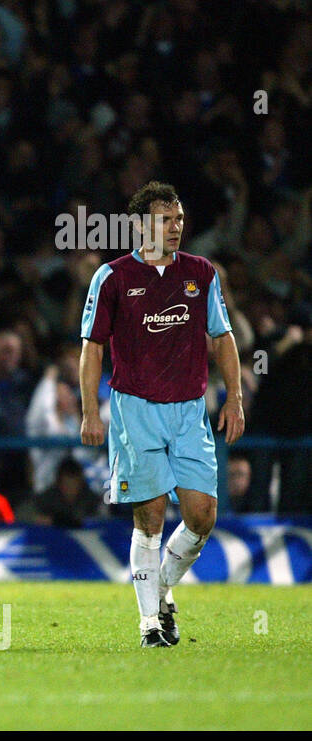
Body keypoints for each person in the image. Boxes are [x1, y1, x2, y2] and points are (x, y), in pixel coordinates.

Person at [80, 181, 245, 648]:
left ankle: (162, 588)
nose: (176, 228)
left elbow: (224, 337)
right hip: (135, 411)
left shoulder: (201, 273)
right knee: (150, 516)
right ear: (141, 225)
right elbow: (91, 347)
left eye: (179, 220)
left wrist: (233, 398)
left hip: (190, 411)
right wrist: (92, 409)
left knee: (202, 516)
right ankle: (150, 623)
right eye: (166, 220)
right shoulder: (112, 277)